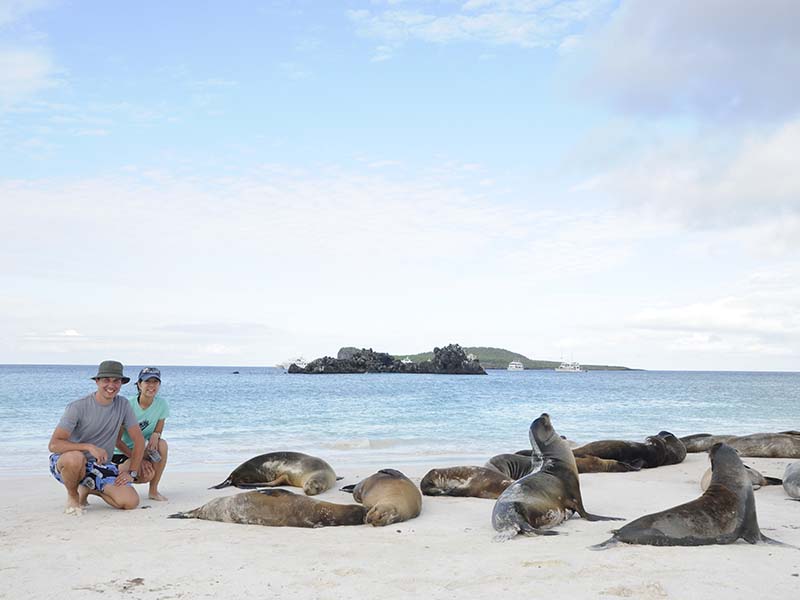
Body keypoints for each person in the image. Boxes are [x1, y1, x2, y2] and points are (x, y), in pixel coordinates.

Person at [48, 360, 145, 514]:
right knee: (75, 458)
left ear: (121, 383)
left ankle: (90, 488)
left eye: (116, 381)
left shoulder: (123, 405)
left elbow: (139, 440)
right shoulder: (78, 406)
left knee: (130, 502)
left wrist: (132, 472)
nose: (111, 385)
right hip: (68, 463)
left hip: (99, 467)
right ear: (97, 381)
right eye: (106, 380)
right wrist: (88, 447)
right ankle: (73, 495)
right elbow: (54, 445)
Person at [114, 366, 170, 501]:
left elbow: (158, 430)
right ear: (139, 384)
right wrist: (138, 460)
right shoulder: (128, 405)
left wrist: (156, 435)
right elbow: (117, 441)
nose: (151, 386)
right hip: (121, 453)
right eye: (147, 382)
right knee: (142, 474)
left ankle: (153, 491)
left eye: (155, 382)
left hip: (141, 450)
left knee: (162, 445)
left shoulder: (162, 404)